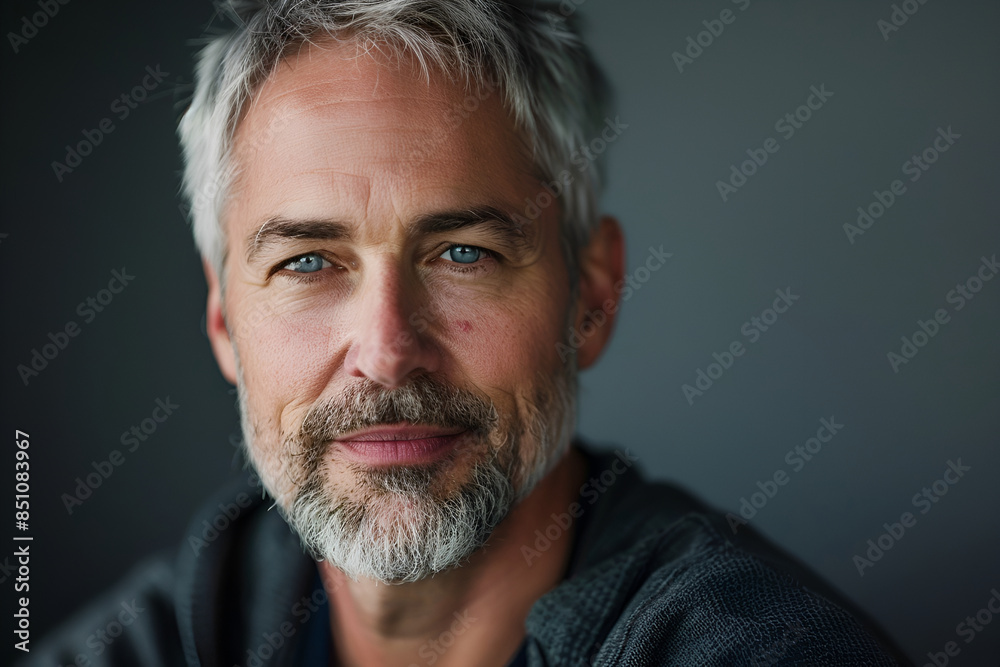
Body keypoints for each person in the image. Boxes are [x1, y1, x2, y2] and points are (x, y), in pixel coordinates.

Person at [24, 1, 908, 665]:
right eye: (307, 262)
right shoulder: (165, 633)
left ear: (590, 296)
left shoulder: (756, 647)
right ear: (224, 320)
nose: (386, 348)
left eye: (461, 252)